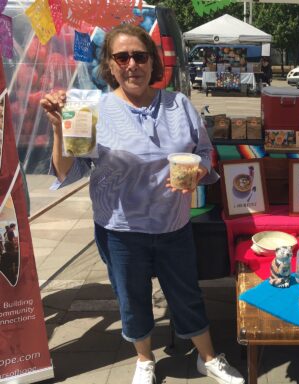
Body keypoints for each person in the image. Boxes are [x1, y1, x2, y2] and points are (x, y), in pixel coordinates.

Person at [40, 24, 244, 384]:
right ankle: (144, 360)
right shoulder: (93, 109)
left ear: (152, 62)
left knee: (186, 293)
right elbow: (67, 169)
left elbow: (204, 152)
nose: (132, 64)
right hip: (121, 229)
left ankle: (207, 357)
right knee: (132, 298)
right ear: (110, 65)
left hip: (172, 224)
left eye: (140, 55)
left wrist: (199, 173)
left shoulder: (178, 104)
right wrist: (59, 128)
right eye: (122, 57)